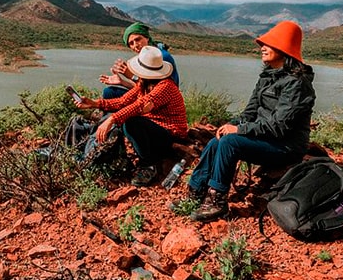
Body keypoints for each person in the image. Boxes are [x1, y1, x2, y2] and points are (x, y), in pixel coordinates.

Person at [184, 20, 315, 222]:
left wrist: (239, 129)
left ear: (284, 48)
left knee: (230, 142)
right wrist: (231, 125)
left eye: (269, 44)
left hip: (286, 146)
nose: (262, 48)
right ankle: (196, 192)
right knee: (217, 140)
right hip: (266, 138)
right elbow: (250, 111)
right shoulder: (267, 76)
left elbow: (278, 127)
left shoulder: (297, 84)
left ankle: (217, 202)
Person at [74, 46, 188, 186]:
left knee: (131, 121)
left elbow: (140, 105)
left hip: (171, 135)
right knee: (125, 116)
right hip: (154, 129)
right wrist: (94, 103)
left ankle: (148, 165)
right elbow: (123, 101)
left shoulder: (165, 86)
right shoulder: (144, 83)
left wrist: (112, 119)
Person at [100, 22, 179, 100]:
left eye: (137, 39)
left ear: (147, 37)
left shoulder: (160, 57)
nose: (135, 45)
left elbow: (156, 91)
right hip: (150, 96)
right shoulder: (144, 57)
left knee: (110, 93)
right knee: (109, 92)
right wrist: (122, 82)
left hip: (162, 101)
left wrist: (132, 76)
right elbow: (141, 87)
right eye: (131, 43)